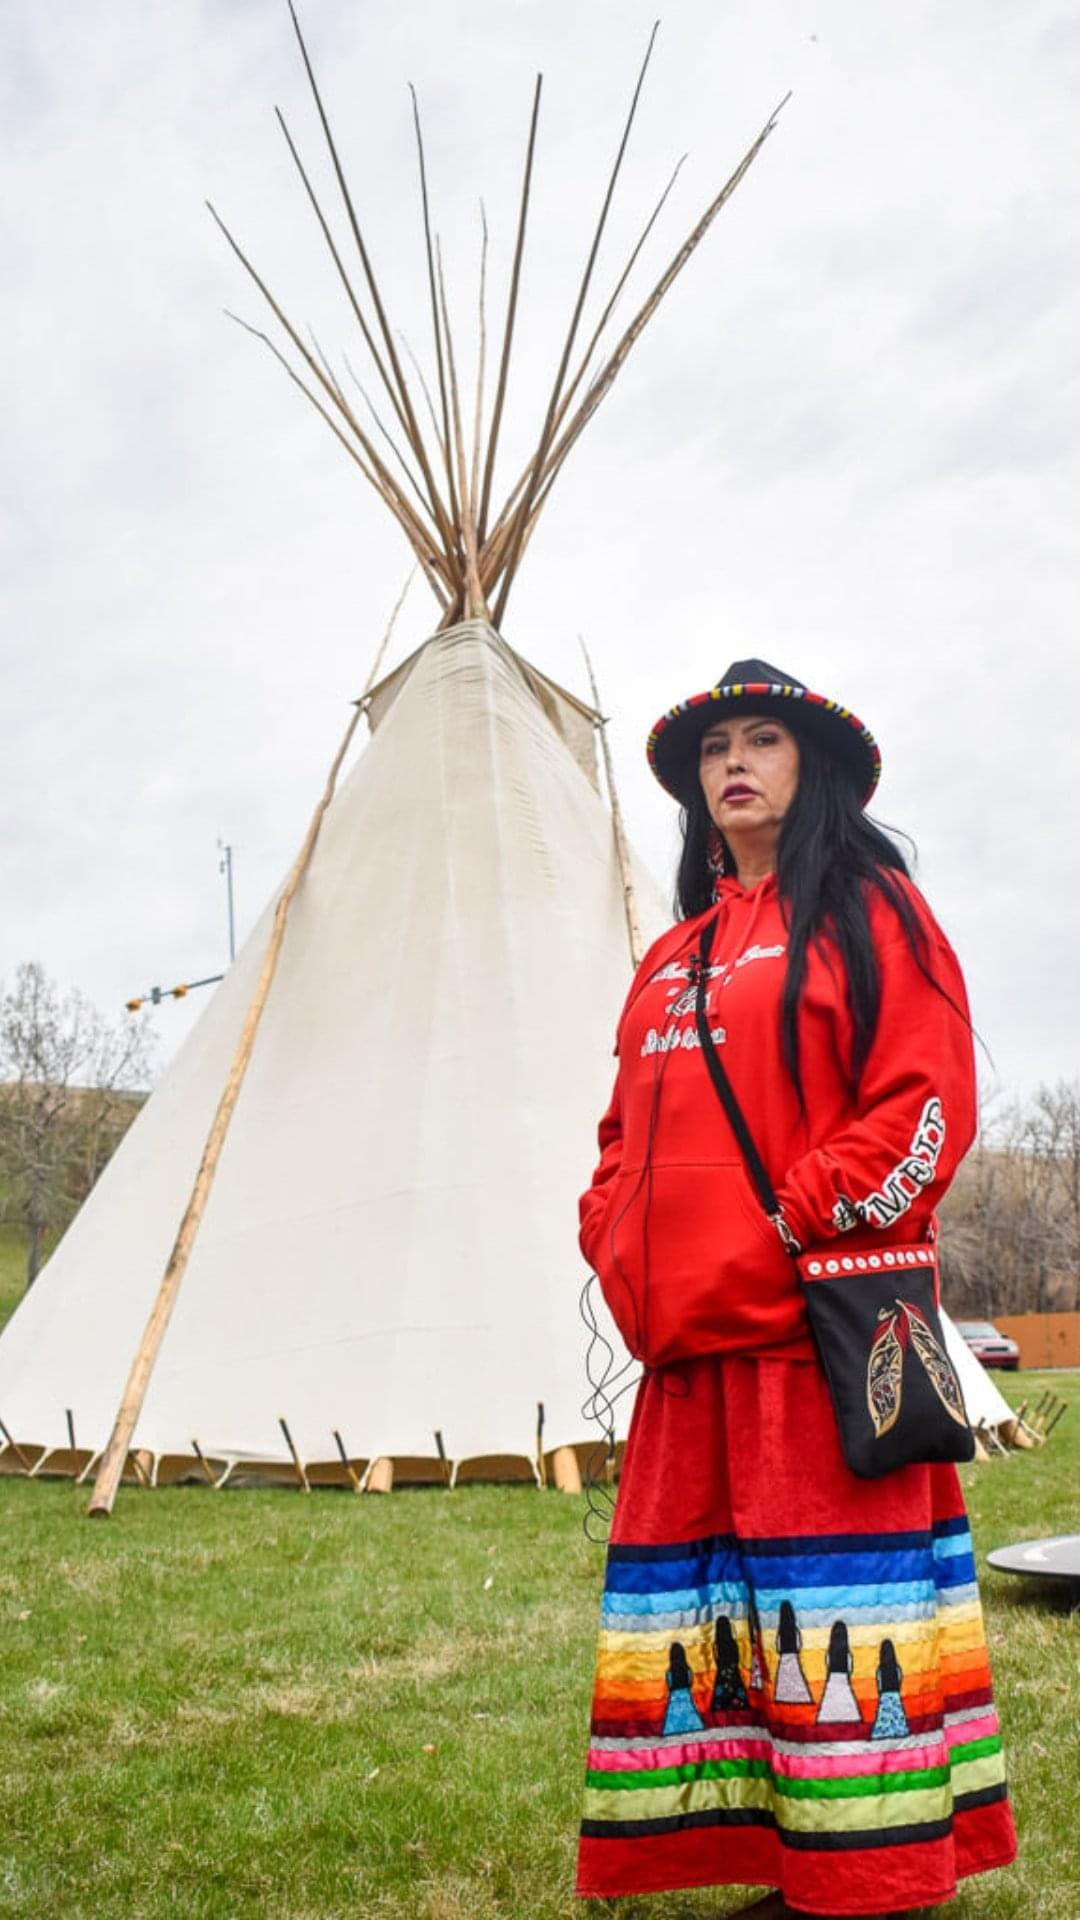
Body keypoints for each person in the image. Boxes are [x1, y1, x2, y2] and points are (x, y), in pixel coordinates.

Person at [576, 660, 1016, 1919]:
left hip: (812, 1355)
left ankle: (868, 1880)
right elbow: (619, 1138)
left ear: (809, 768)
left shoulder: (873, 912)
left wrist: (790, 1217)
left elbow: (927, 1107)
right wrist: (615, 1238)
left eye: (763, 739)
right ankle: (786, 1865)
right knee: (722, 1633)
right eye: (718, 745)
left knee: (837, 1626)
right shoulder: (670, 957)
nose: (735, 762)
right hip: (687, 1358)